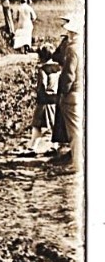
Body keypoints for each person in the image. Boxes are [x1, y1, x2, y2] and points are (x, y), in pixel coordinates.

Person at [51, 14, 80, 168]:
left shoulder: (72, 48)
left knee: (74, 130)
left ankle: (76, 163)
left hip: (72, 92)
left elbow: (69, 74)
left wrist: (63, 93)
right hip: (79, 91)